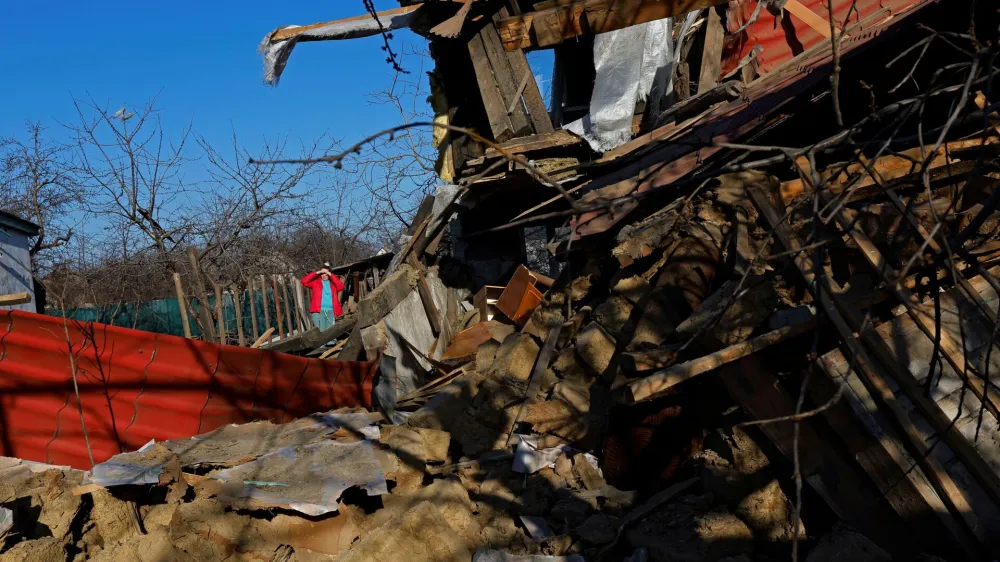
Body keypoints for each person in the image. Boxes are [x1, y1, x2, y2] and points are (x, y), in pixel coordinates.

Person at [300, 265, 345, 331]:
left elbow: (341, 287)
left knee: (330, 332)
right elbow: (303, 281)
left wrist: (330, 274)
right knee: (321, 332)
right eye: (322, 274)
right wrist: (317, 272)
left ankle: (332, 342)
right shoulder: (315, 282)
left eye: (325, 274)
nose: (323, 275)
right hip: (318, 311)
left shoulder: (333, 284)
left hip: (330, 311)